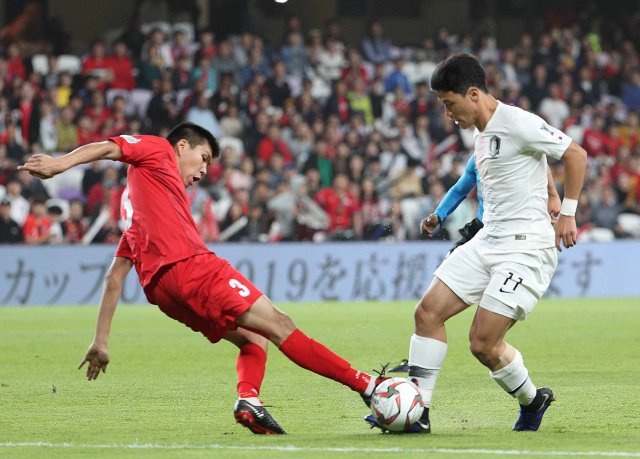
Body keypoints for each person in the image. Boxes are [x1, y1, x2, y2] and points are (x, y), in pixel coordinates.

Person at [18, 122, 385, 435]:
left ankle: (249, 401)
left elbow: (116, 276)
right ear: (182, 146)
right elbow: (109, 146)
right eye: (204, 158)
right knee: (279, 324)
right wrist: (58, 164)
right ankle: (368, 387)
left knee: (253, 338)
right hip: (191, 268)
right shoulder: (158, 149)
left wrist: (101, 340)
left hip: (163, 293)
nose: (204, 170)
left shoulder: (138, 202)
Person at [367, 53, 586, 433]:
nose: (448, 114)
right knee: (427, 313)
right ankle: (418, 413)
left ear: (473, 94)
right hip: (488, 240)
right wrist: (549, 190)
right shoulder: (482, 136)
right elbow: (534, 160)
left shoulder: (517, 121)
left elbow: (574, 154)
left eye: (450, 104)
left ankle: (532, 401)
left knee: (483, 344)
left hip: (526, 248)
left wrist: (566, 211)